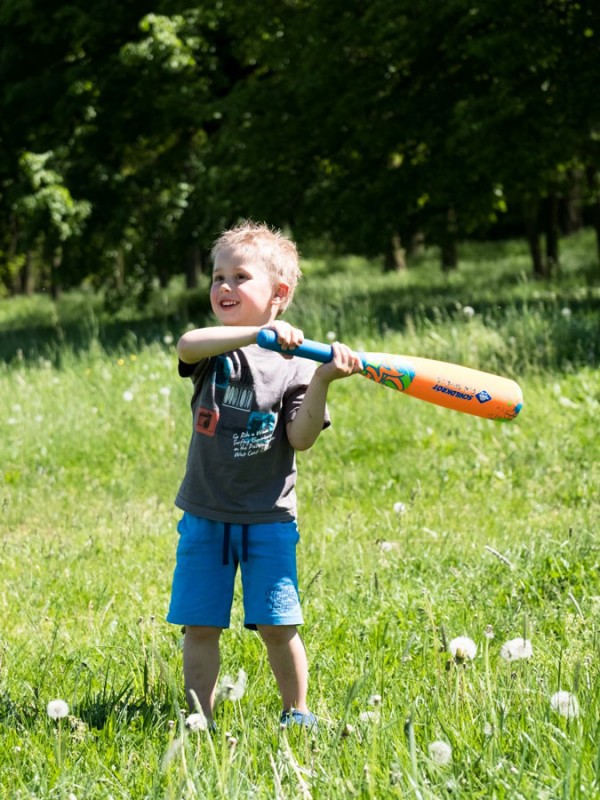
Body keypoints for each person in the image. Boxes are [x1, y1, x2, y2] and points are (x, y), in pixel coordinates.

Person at [167, 220, 362, 730]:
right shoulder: (216, 350)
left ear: (280, 293)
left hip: (268, 519)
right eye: (217, 277)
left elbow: (300, 438)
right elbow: (187, 343)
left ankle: (296, 713)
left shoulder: (299, 365)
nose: (224, 287)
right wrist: (258, 334)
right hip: (206, 516)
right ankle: (198, 719)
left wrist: (322, 377)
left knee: (279, 624)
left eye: (239, 277)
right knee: (200, 625)